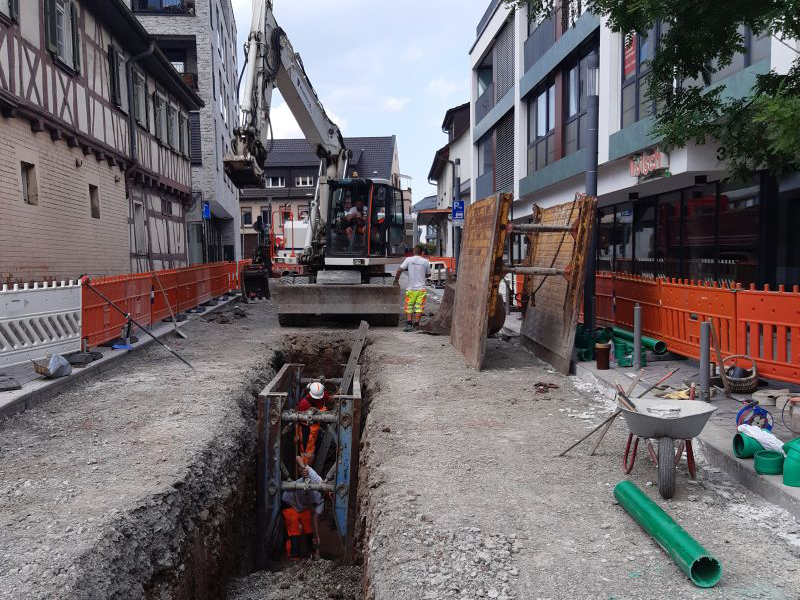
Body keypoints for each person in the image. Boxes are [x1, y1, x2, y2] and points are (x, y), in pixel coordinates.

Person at [281, 456, 325, 560]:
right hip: (290, 501)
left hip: (302, 506)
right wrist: (303, 468)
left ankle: (313, 554)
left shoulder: (321, 502)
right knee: (294, 531)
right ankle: (293, 557)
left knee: (309, 529)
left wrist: (317, 536)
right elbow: (297, 457)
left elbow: (315, 518)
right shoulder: (315, 478)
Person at [394, 244, 431, 331]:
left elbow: (400, 269)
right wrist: (422, 276)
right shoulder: (425, 261)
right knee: (419, 307)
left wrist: (396, 279)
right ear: (422, 252)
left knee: (409, 306)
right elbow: (429, 274)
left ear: (414, 251)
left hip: (411, 289)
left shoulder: (409, 259)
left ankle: (409, 324)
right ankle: (417, 324)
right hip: (421, 289)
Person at [296, 381, 330, 466]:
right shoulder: (304, 404)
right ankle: (306, 471)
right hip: (306, 429)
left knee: (315, 446)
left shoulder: (321, 393)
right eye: (316, 398)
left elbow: (329, 399)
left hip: (315, 426)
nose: (318, 399)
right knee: (307, 453)